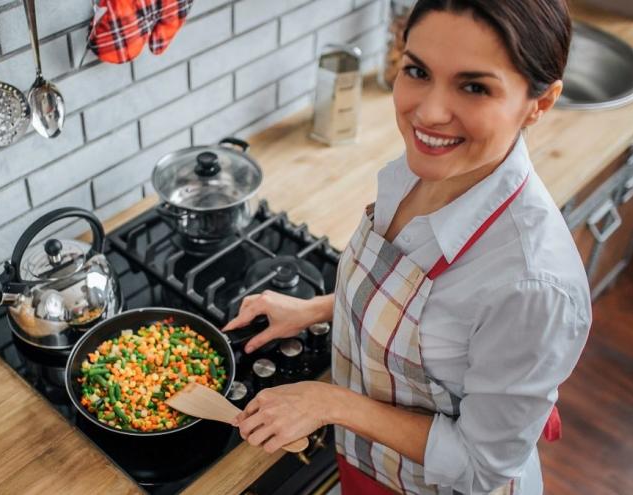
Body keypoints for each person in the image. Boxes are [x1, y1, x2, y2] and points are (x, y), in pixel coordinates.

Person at [222, 1, 592, 493]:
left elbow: (482, 467)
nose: (429, 112)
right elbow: (434, 321)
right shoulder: (426, 169)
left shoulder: (534, 285)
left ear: (539, 105)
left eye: (475, 86)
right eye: (417, 70)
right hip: (370, 463)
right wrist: (316, 309)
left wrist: (329, 402)